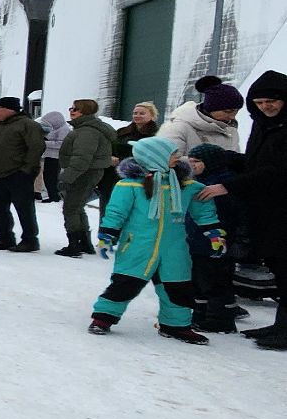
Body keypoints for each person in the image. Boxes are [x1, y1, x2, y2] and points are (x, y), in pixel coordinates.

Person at [87, 137, 218, 344]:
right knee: (125, 284)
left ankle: (176, 326)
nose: (178, 158)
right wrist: (107, 235)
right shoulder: (129, 184)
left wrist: (214, 232)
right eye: (173, 154)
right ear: (155, 158)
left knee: (178, 288)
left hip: (174, 248)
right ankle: (103, 318)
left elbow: (203, 209)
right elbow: (115, 212)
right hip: (137, 245)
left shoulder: (185, 185)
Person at [195, 70, 287, 348]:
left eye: (271, 101)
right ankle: (280, 326)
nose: (266, 107)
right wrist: (226, 158)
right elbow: (257, 164)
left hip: (283, 209)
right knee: (278, 268)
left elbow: (278, 171)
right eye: (259, 102)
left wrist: (230, 185)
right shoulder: (263, 125)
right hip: (266, 209)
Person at [184, 143, 241, 332]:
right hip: (198, 239)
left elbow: (230, 213)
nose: (193, 166)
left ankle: (221, 318)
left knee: (217, 279)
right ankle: (200, 312)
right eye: (190, 161)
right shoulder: (198, 181)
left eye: (197, 162)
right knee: (199, 278)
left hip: (217, 239)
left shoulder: (223, 184)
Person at [0, 96, 45, 251]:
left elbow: (36, 147)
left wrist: (26, 170)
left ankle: (30, 240)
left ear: (11, 109)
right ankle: (5, 238)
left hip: (18, 174)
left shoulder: (27, 125)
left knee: (24, 208)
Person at [53, 98, 115, 257]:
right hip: (87, 172)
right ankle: (84, 243)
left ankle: (74, 245)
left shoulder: (87, 131)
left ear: (85, 112)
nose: (72, 111)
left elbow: (81, 158)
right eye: (71, 108)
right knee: (77, 207)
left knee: (71, 208)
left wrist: (66, 178)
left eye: (76, 109)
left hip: (84, 173)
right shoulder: (85, 129)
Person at [100, 101, 161, 213]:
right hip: (112, 177)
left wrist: (121, 162)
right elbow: (109, 148)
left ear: (152, 115)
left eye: (142, 113)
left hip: (140, 178)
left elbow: (152, 157)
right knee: (109, 210)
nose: (137, 116)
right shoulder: (122, 132)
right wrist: (108, 158)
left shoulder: (157, 135)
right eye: (135, 113)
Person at [157, 81, 242, 151]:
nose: (232, 117)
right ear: (211, 108)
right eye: (227, 111)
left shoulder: (230, 129)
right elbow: (165, 161)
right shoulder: (177, 127)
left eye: (236, 111)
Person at [39, 110, 70, 202]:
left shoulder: (64, 129)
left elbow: (61, 144)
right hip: (50, 155)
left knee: (51, 177)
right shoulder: (56, 129)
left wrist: (45, 143)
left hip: (56, 157)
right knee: (48, 176)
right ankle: (52, 195)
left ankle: (54, 196)